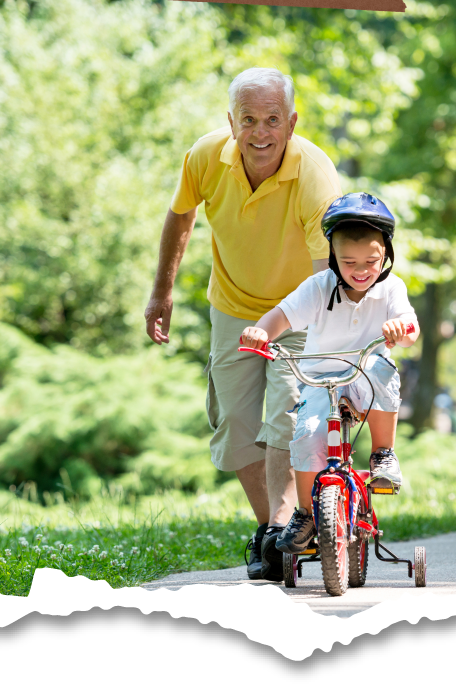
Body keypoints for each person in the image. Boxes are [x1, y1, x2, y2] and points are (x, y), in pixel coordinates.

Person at [144, 67, 342, 581]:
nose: (260, 133)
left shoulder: (314, 175)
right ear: (231, 121)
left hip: (298, 310)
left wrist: (326, 338)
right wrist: (162, 290)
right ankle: (272, 533)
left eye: (272, 119)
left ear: (292, 122)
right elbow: (181, 215)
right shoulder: (207, 157)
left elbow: (327, 274)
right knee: (235, 425)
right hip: (232, 307)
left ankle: (281, 529)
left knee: (284, 417)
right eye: (249, 119)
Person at [237, 193, 419, 554]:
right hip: (321, 379)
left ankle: (383, 454)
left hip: (366, 375)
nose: (361, 269)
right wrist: (261, 331)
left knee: (381, 369)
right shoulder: (319, 287)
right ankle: (306, 514)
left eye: (371, 260)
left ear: (385, 255)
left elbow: (410, 325)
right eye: (349, 261)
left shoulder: (391, 288)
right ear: (333, 257)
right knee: (306, 436)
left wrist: (403, 329)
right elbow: (281, 316)